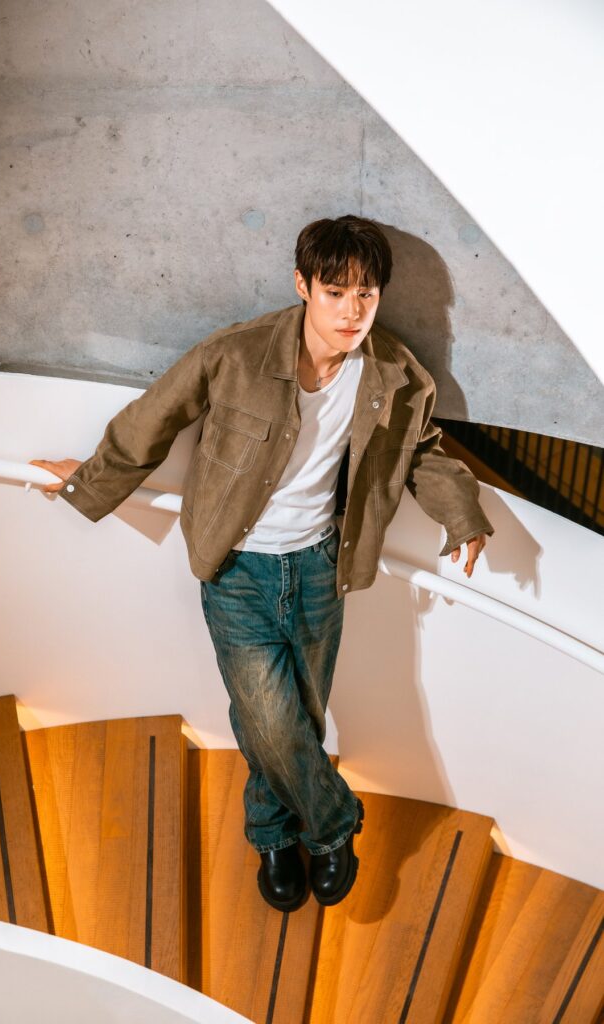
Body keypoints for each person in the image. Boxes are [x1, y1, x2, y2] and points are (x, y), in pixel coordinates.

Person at [30, 214, 494, 914]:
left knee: (293, 718)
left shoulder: (394, 374)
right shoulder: (237, 355)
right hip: (237, 569)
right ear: (302, 285)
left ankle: (274, 837)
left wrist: (461, 512)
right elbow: (153, 418)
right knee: (270, 718)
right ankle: (332, 826)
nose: (351, 311)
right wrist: (88, 480)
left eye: (365, 295)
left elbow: (420, 450)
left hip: (321, 568)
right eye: (335, 292)